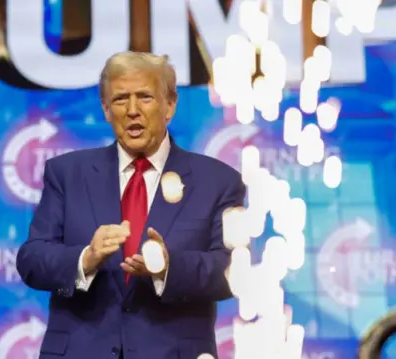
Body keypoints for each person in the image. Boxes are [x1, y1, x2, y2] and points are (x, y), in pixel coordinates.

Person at [16, 51, 246, 359]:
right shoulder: (67, 174)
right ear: (106, 108)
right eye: (121, 99)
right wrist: (86, 258)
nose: (133, 110)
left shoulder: (217, 181)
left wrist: (169, 267)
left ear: (170, 105)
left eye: (145, 97)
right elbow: (32, 259)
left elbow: (233, 270)